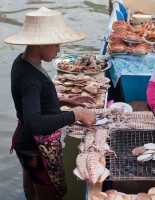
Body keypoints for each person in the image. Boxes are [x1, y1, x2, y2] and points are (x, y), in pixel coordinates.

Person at [4, 7, 96, 200]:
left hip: (25, 144)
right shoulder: (31, 77)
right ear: (41, 43)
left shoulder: (21, 62)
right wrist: (76, 115)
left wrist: (65, 101)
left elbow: (33, 103)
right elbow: (34, 122)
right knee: (50, 195)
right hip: (36, 148)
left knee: (32, 189)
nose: (58, 50)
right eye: (56, 45)